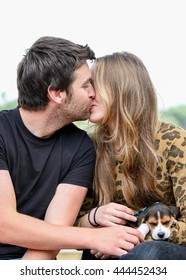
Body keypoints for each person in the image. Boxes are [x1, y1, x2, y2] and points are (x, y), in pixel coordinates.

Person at [0, 38, 144, 260]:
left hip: (30, 265)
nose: (93, 94)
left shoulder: (81, 147)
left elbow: (54, 237)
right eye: (86, 85)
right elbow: (4, 225)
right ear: (57, 94)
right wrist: (94, 238)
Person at [76, 51, 186, 260]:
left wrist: (133, 237)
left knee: (149, 253)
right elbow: (69, 223)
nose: (88, 93)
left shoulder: (176, 142)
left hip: (162, 250)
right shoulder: (87, 147)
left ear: (120, 90)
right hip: (109, 250)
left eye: (94, 85)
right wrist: (94, 221)